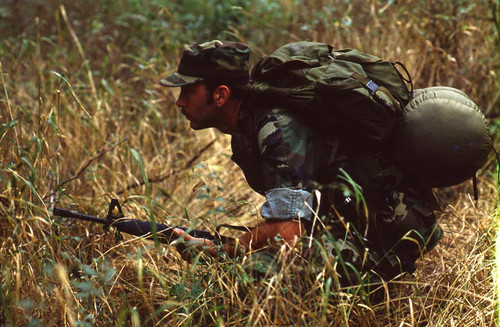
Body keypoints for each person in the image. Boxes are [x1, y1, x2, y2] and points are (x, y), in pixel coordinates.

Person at [160, 40, 443, 288]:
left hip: (378, 241)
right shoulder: (249, 125)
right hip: (343, 227)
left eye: (188, 91)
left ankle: (372, 282)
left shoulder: (275, 128)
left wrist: (226, 250)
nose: (179, 102)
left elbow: (287, 234)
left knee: (252, 278)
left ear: (220, 95)